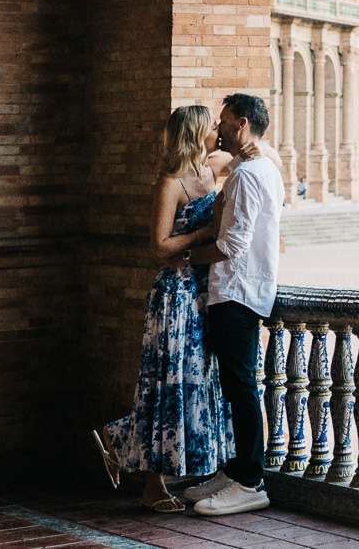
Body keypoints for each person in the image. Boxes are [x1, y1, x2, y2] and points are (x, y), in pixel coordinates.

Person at [91, 104, 232, 511]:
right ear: (194, 134)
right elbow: (159, 247)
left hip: (205, 291)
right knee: (167, 385)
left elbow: (260, 152)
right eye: (210, 129)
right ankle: (153, 484)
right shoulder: (171, 183)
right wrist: (205, 231)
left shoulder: (213, 167)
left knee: (198, 385)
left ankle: (122, 444)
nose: (217, 135)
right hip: (175, 294)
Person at [183, 92, 282, 517]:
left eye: (223, 121)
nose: (218, 128)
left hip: (237, 292)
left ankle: (250, 481)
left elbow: (232, 245)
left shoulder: (246, 175)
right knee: (234, 385)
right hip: (248, 289)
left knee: (240, 387)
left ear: (240, 124)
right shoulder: (261, 168)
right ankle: (238, 468)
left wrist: (187, 258)